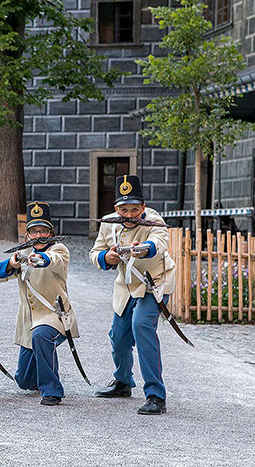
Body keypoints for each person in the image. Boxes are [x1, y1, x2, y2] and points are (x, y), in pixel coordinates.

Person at [89, 175, 176, 415]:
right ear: (116, 208)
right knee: (118, 337)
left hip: (154, 283)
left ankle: (156, 395)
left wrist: (145, 249)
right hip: (126, 286)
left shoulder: (154, 220)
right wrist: (105, 257)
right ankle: (123, 382)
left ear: (143, 208)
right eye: (124, 209)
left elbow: (160, 242)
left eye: (135, 209)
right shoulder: (108, 222)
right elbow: (95, 252)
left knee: (142, 327)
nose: (129, 214)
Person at [0, 202, 78, 406]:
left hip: (55, 316)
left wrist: (41, 258)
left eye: (43, 230)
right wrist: (11, 265)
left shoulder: (59, 249)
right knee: (23, 381)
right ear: (27, 234)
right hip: (30, 323)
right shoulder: (23, 253)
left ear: (51, 232)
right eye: (34, 231)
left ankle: (52, 391)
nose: (39, 235)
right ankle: (42, 362)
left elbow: (55, 260)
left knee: (41, 336)